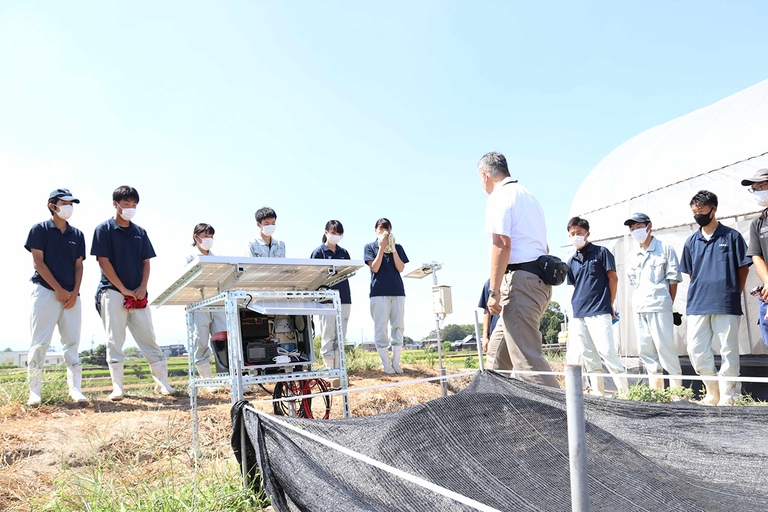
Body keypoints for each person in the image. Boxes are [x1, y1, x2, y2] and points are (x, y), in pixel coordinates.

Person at [478, 152, 558, 388]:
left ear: (484, 176)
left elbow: (502, 242)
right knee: (495, 360)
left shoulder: (499, 196)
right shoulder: (528, 196)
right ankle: (493, 416)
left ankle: (564, 422)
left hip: (519, 284)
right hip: (537, 281)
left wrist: (493, 292)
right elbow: (544, 246)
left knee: (528, 364)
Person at [91, 186, 174, 400]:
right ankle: (118, 387)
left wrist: (142, 287)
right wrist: (123, 289)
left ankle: (162, 383)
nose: (130, 208)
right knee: (114, 339)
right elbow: (103, 261)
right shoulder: (103, 229)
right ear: (115, 204)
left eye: (134, 204)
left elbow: (146, 262)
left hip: (139, 294)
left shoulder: (140, 232)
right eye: (126, 203)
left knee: (148, 337)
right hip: (112, 291)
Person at [680, 190, 750, 406]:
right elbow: (692, 273)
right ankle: (713, 393)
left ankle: (729, 397)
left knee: (729, 350)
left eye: (701, 211)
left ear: (714, 210)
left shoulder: (732, 237)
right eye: (694, 212)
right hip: (698, 303)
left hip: (726, 302)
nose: (697, 215)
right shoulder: (691, 242)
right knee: (695, 350)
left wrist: (733, 293)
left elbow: (743, 269)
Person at [24, 188, 87, 405]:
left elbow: (79, 266)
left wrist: (75, 292)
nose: (69, 207)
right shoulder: (39, 230)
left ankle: (75, 389)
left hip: (72, 295)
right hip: (45, 291)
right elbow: (38, 263)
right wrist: (58, 289)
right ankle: (35, 392)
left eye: (72, 203)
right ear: (53, 205)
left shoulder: (77, 234)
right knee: (40, 342)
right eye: (65, 203)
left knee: (72, 342)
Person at [566, 216, 629, 396]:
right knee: (589, 355)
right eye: (572, 234)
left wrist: (610, 303)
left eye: (579, 233)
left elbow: (613, 278)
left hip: (600, 310)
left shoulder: (602, 252)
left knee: (607, 351)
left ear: (587, 234)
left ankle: (626, 393)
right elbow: (575, 287)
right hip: (579, 313)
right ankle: (598, 393)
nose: (575, 236)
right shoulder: (571, 262)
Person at [624, 213, 683, 390]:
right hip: (640, 307)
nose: (635, 231)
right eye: (632, 229)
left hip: (660, 306)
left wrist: (666, 303)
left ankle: (677, 392)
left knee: (665, 349)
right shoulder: (632, 255)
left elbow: (673, 280)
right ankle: (657, 392)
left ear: (649, 226)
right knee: (646, 351)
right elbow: (634, 282)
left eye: (639, 227)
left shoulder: (665, 248)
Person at [310, 220, 352, 388]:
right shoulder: (318, 252)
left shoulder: (344, 252)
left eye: (339, 233)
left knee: (340, 337)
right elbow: (313, 276)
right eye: (333, 232)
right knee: (329, 335)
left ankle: (340, 371)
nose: (336, 236)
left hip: (344, 298)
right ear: (326, 233)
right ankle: (330, 372)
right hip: (326, 300)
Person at [364, 218, 408, 374]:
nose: (384, 232)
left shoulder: (398, 247)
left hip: (397, 292)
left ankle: (396, 363)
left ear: (391, 230)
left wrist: (393, 249)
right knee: (381, 328)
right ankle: (386, 364)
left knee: (398, 327)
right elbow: (374, 268)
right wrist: (381, 248)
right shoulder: (370, 247)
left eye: (387, 229)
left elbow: (401, 268)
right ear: (376, 231)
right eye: (380, 229)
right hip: (378, 293)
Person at [186, 223, 226, 391]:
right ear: (196, 237)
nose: (209, 239)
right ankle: (208, 381)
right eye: (206, 235)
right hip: (199, 303)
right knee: (200, 340)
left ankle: (227, 378)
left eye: (211, 236)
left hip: (216, 302)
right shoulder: (190, 257)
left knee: (223, 339)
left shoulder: (217, 257)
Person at [741, 169, 768, 351]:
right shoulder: (758, 223)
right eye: (754, 188)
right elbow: (756, 256)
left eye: (760, 186)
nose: (757, 191)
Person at [478, 279, 500, 354]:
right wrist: (485, 337)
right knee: (494, 363)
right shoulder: (490, 283)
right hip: (495, 332)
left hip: (518, 331)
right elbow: (486, 311)